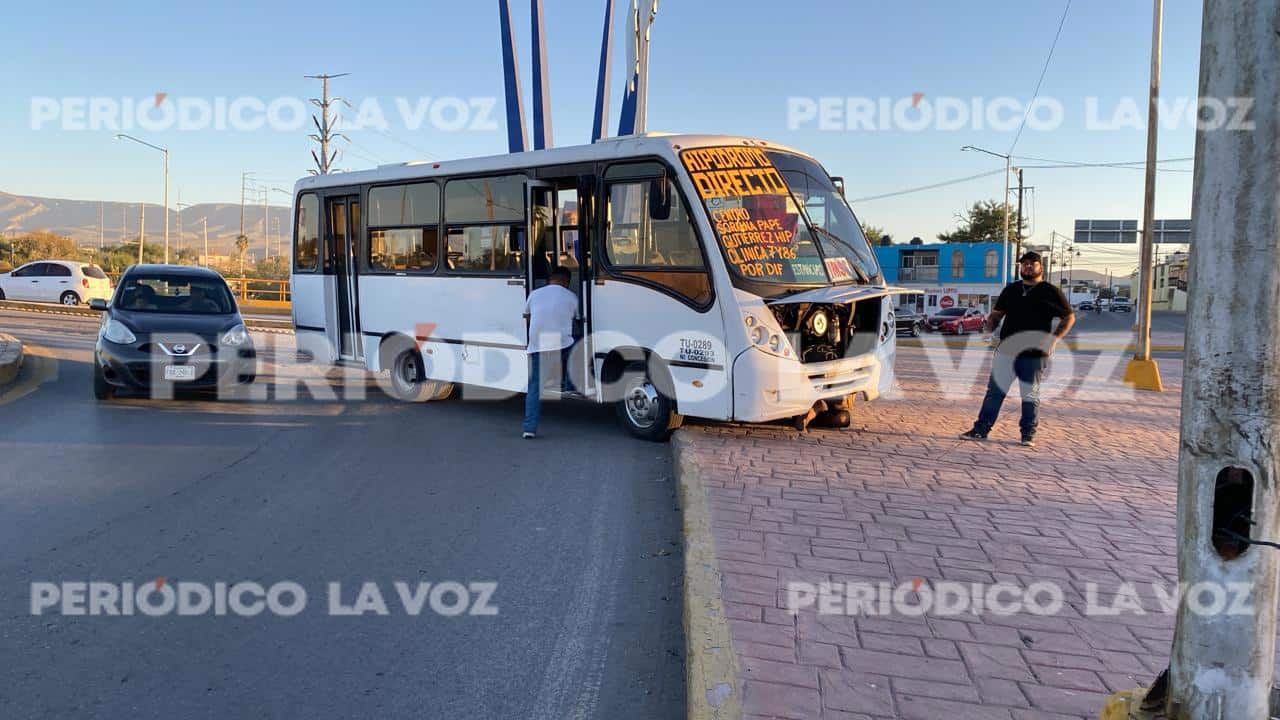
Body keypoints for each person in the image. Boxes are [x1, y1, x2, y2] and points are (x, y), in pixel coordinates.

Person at [960, 251, 1075, 447]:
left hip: (1034, 353)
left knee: (1030, 395)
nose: (1028, 267)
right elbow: (996, 315)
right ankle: (981, 430)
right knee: (994, 392)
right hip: (1006, 351)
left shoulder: (1050, 291)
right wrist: (988, 330)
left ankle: (1027, 434)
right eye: (1024, 264)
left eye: (1032, 264)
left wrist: (1054, 340)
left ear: (1041, 267)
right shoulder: (1011, 290)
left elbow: (1069, 317)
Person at [522, 266, 579, 439]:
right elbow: (578, 319)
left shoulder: (534, 294)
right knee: (578, 344)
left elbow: (527, 316)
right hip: (560, 344)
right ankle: (569, 385)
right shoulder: (571, 296)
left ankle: (529, 429)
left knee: (534, 387)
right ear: (567, 281)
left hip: (537, 344)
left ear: (550, 279)